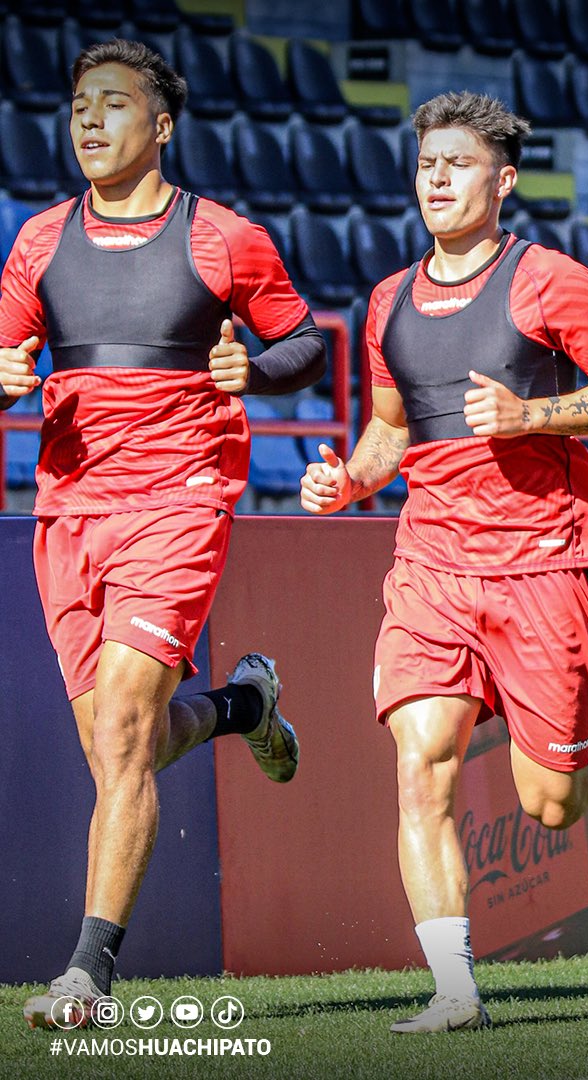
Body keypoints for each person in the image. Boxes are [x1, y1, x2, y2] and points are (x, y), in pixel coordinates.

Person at [300, 90, 588, 1034]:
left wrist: (531, 415)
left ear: (502, 180)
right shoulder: (388, 299)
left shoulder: (549, 280)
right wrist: (349, 479)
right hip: (431, 564)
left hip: (544, 563)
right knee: (420, 761)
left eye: (457, 163)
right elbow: (392, 429)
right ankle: (455, 991)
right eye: (426, 163)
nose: (436, 178)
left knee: (552, 805)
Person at [0, 39, 326, 1028]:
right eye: (77, 105)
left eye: (113, 104)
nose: (90, 121)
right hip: (70, 508)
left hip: (180, 499)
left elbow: (304, 341)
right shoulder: (40, 241)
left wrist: (255, 375)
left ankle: (87, 973)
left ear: (163, 125)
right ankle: (241, 708)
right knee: (117, 749)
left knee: (127, 731)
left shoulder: (225, 236)